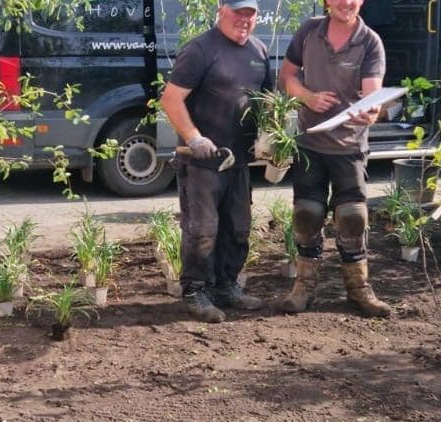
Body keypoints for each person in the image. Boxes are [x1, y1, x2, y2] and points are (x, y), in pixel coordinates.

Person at [273, 0, 394, 317]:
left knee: (353, 217)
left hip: (349, 147)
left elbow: (372, 94)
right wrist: (307, 96)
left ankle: (358, 290)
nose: (346, 2)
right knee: (307, 213)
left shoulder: (370, 42)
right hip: (310, 143)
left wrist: (371, 111)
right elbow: (287, 76)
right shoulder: (309, 31)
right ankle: (303, 287)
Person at [159, 0, 274, 323]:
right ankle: (195, 291)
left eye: (250, 14)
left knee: (237, 228)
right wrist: (194, 138)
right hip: (202, 162)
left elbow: (268, 103)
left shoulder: (259, 51)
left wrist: (275, 141)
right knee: (202, 230)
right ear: (221, 10)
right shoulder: (200, 50)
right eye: (238, 12)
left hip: (239, 162)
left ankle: (226, 286)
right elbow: (171, 99)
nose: (244, 20)